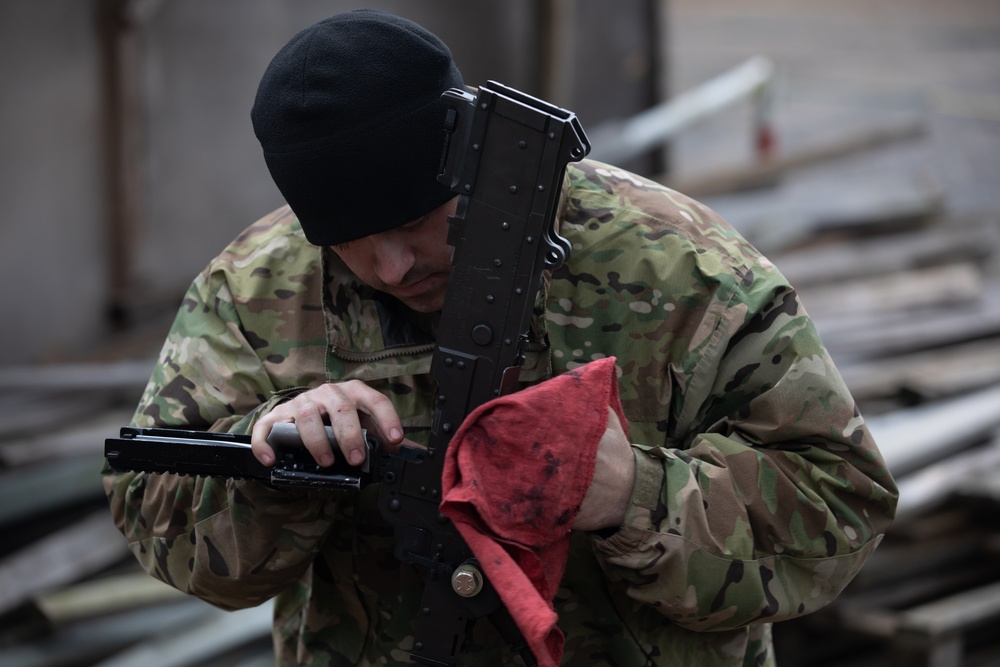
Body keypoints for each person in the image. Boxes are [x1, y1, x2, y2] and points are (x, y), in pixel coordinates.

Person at [103, 9, 897, 666]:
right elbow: (152, 513)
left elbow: (841, 503)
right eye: (350, 239)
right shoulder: (255, 289)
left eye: (417, 221)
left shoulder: (683, 274)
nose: (391, 264)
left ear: (468, 159)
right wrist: (272, 452)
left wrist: (633, 494)